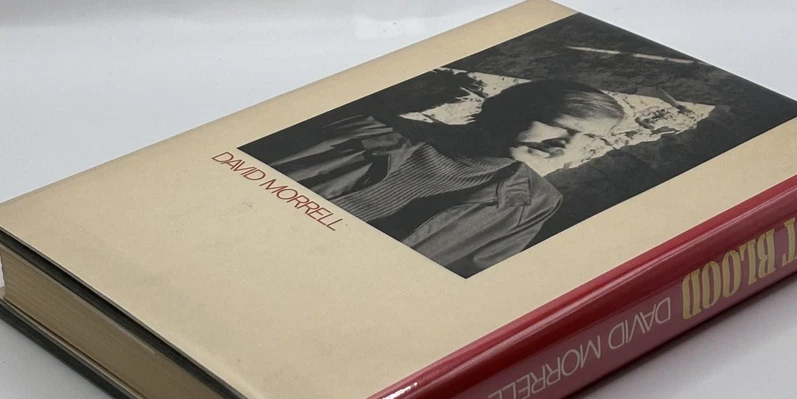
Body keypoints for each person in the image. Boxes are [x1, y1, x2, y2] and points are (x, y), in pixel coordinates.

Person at [254, 78, 625, 277]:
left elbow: (464, 283)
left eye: (588, 139)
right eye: (562, 126)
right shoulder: (364, 129)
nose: (566, 145)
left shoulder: (532, 205)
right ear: (512, 110)